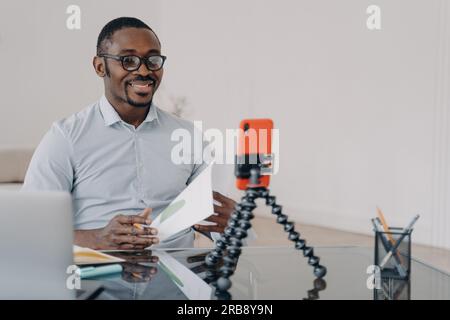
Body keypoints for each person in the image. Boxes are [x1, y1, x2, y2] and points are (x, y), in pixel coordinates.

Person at [23, 17, 235, 250]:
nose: (144, 70)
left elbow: (216, 221)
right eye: (129, 60)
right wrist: (97, 238)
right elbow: (30, 228)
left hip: (175, 277)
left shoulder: (189, 136)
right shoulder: (65, 137)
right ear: (100, 66)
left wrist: (233, 223)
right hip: (96, 278)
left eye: (152, 59)